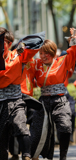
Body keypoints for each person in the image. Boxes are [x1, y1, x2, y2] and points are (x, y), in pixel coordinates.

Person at [26, 28, 76, 160]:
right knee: (37, 130)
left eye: (46, 53)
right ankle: (36, 155)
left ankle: (63, 157)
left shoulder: (62, 61)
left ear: (53, 52)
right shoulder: (36, 63)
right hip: (43, 101)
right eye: (41, 53)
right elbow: (26, 60)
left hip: (60, 99)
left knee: (65, 126)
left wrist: (73, 40)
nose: (43, 56)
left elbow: (72, 53)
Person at [0, 27, 44, 160]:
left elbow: (38, 38)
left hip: (15, 100)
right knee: (1, 140)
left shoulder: (18, 54)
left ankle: (26, 155)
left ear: (8, 42)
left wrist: (23, 44)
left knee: (20, 126)